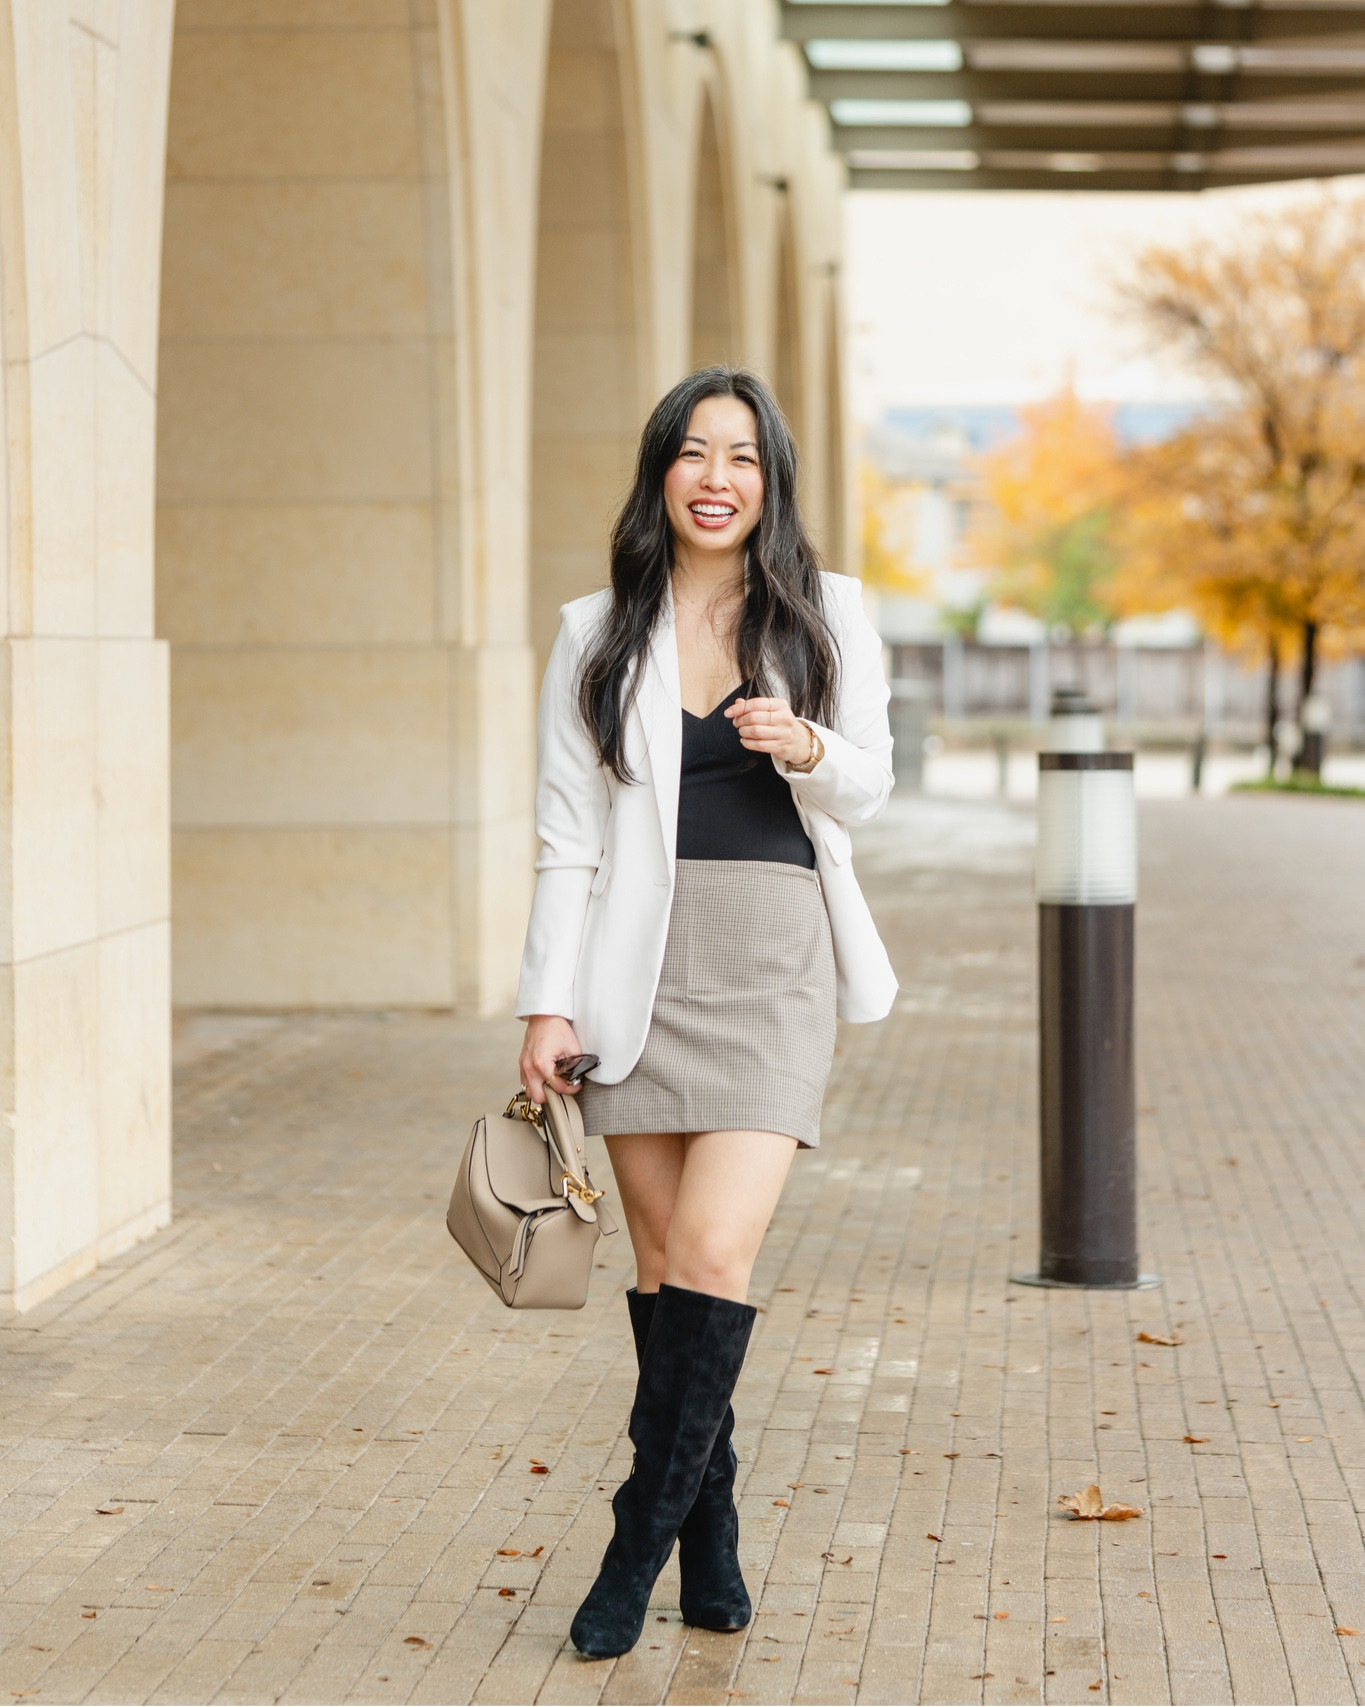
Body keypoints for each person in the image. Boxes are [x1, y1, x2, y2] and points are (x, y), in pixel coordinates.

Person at [515, 366, 897, 1660]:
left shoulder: (827, 614)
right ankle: (713, 1544)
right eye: (691, 453)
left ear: (770, 478)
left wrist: (810, 750)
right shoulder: (593, 631)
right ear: (659, 475)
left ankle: (634, 1541)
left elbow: (872, 786)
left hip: (772, 961)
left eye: (740, 455)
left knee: (717, 1258)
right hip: (636, 969)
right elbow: (566, 839)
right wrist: (543, 1005)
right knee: (667, 1268)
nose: (715, 476)